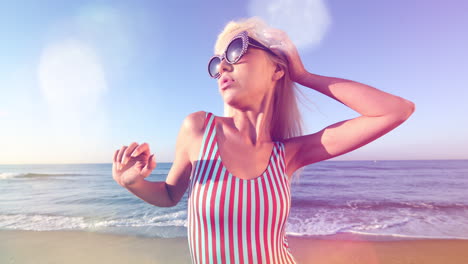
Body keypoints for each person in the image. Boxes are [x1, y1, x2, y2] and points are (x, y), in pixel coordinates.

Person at [112, 17, 415, 264]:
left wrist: (304, 75)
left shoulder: (288, 155)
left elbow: (395, 111)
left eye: (236, 50)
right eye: (217, 62)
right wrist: (132, 182)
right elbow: (168, 195)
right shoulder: (199, 129)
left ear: (276, 69)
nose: (223, 68)